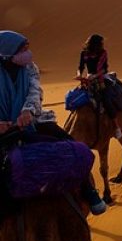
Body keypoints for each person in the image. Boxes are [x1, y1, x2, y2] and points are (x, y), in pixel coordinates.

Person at [0, 30, 106, 215]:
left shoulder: (30, 68)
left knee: (72, 145)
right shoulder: (85, 53)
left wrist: (28, 111)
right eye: (23, 49)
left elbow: (35, 91)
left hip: (34, 118)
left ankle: (89, 190)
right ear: (7, 52)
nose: (28, 53)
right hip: (4, 125)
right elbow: (80, 67)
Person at [77, 34, 122, 139]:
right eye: (101, 43)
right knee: (77, 98)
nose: (102, 44)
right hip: (88, 79)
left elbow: (105, 69)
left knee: (106, 99)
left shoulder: (103, 53)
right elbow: (80, 67)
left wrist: (95, 76)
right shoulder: (84, 53)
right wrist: (79, 75)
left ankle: (116, 126)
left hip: (101, 78)